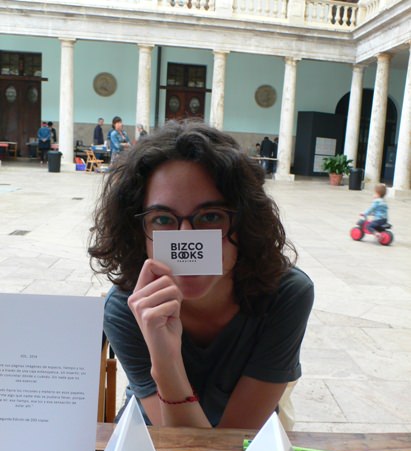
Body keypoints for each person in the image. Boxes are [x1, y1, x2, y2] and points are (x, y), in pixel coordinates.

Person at [88, 120, 314, 430]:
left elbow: (226, 448)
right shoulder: (127, 308)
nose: (186, 238)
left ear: (245, 222)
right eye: (163, 219)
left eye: (210, 217)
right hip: (154, 443)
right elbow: (182, 448)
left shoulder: (287, 295)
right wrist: (165, 361)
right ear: (137, 231)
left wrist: (168, 363)